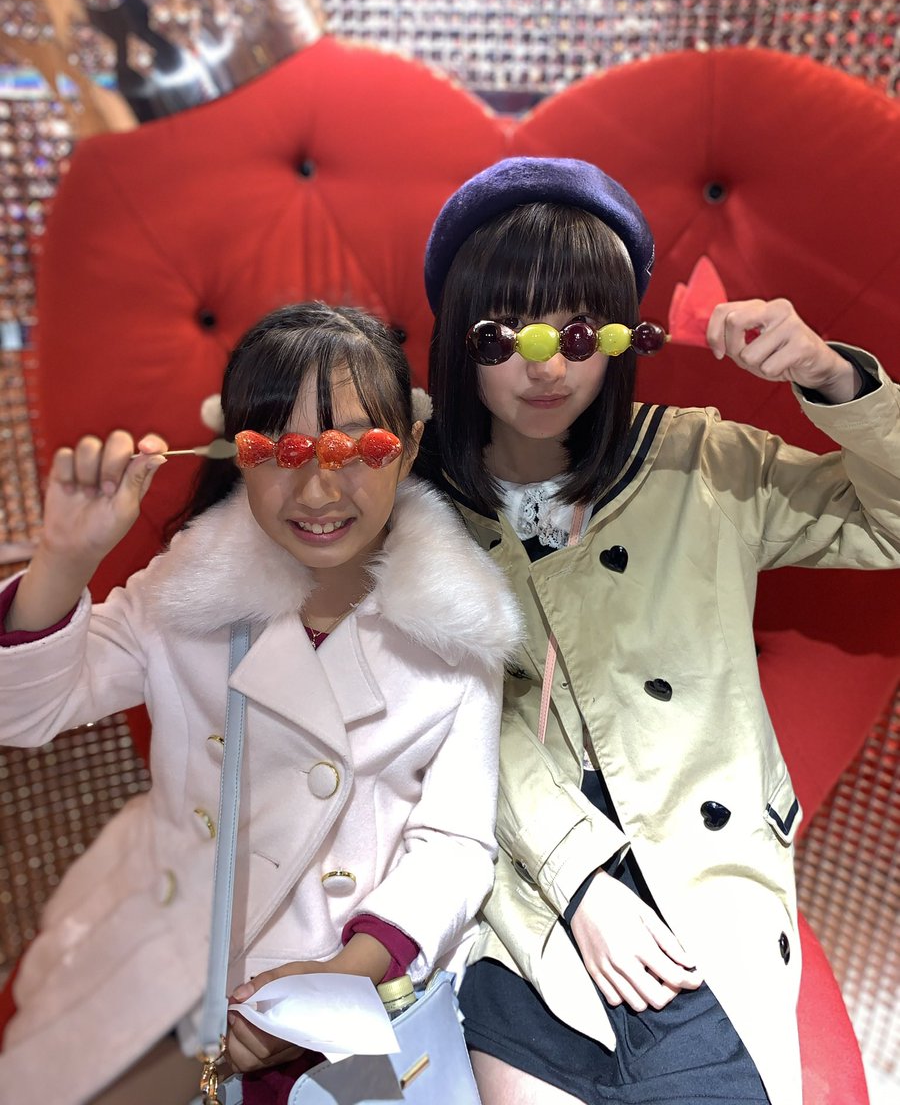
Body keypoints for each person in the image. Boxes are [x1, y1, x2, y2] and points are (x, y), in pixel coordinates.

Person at [415, 156, 900, 1105]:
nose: (546, 366)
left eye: (577, 331)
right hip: (526, 889)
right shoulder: (414, 502)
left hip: (701, 875)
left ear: (619, 336)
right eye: (502, 334)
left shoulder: (700, 463)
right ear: (459, 340)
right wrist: (578, 879)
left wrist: (830, 375)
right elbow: (449, 721)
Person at [0, 302, 521, 1105]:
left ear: (410, 446)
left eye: (359, 448)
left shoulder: (458, 630)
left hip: (360, 975)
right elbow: (27, 711)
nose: (318, 489)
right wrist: (65, 560)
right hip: (179, 959)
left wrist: (340, 979)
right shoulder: (186, 593)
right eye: (278, 450)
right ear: (237, 454)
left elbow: (454, 845)